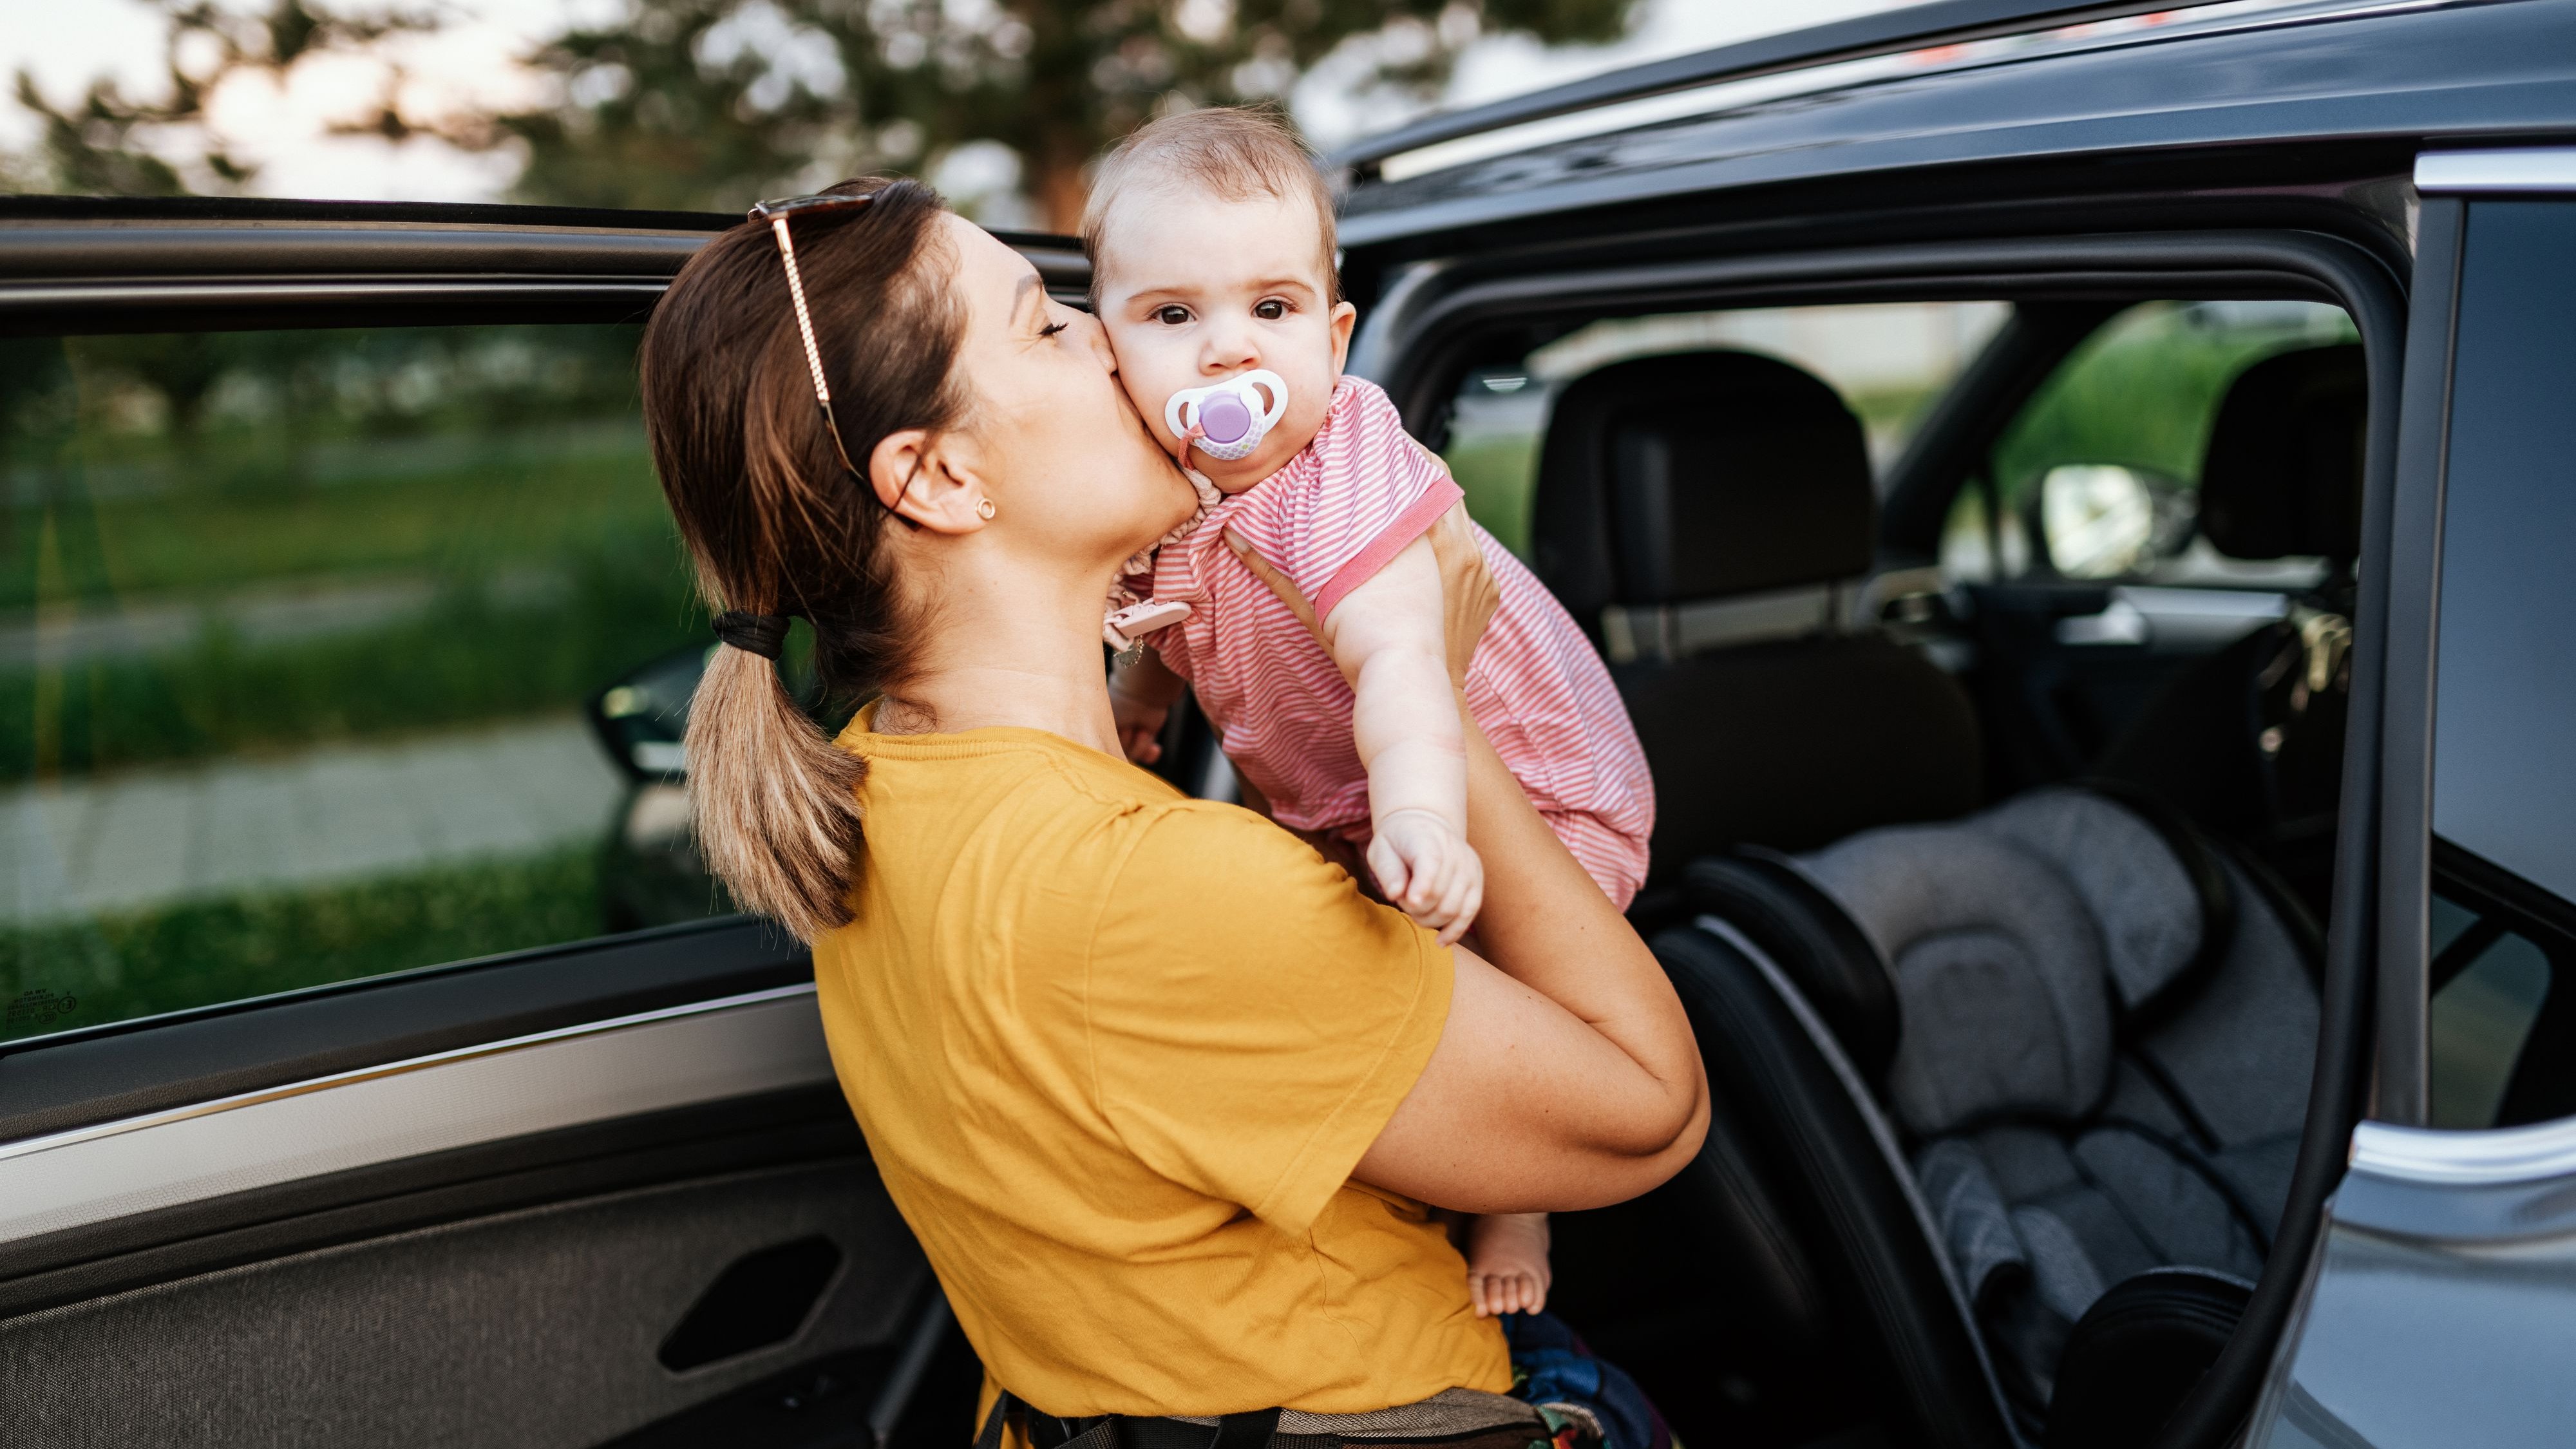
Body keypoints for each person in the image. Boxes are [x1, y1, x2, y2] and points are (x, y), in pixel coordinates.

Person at [637, 175, 1705, 1449]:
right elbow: (1651, 1114)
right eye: (1049, 324)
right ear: (937, 477)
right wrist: (1450, 719)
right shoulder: (1152, 888)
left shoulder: (882, 787)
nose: (1122, 341)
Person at [1083, 107, 1656, 1321]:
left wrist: (1422, 812)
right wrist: (1134, 703)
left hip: (1524, 790)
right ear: (1110, 346)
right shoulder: (1165, 495)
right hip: (1343, 797)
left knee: (1507, 977)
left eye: (1272, 310)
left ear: (1335, 338)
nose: (1230, 355)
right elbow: (1171, 622)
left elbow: (1400, 661)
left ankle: (1521, 1194)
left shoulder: (1347, 478)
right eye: (1174, 316)